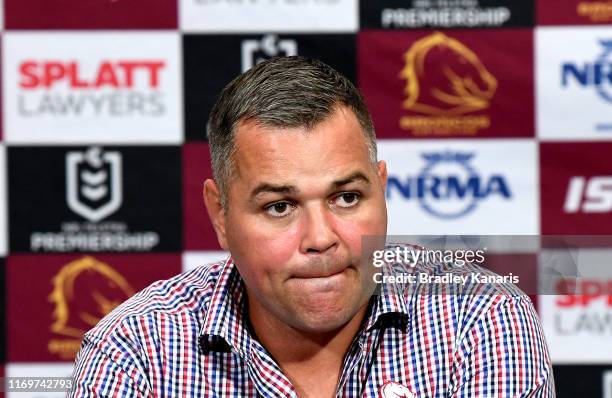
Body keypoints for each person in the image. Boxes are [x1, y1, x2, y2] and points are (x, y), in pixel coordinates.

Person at [69, 56, 555, 397]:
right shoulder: (137, 349)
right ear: (221, 215)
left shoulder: (481, 318)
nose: (321, 238)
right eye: (280, 207)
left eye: (347, 198)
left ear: (381, 191)